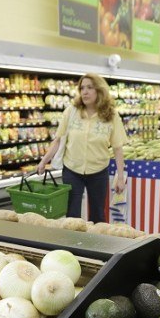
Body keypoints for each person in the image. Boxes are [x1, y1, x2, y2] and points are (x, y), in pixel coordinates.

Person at [37, 73, 127, 222]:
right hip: (72, 170)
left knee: (98, 214)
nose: (85, 91)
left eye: (90, 88)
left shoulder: (111, 116)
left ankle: (96, 243)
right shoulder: (71, 112)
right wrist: (43, 161)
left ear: (100, 90)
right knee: (72, 215)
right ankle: (73, 244)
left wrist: (120, 178)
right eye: (82, 88)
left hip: (98, 171)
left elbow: (118, 148)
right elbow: (58, 140)